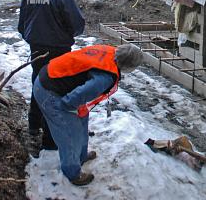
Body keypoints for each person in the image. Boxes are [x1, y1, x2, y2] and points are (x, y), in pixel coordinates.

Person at [33, 44, 144, 186]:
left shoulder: (109, 51)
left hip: (54, 77)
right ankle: (72, 173)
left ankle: (81, 155)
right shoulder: (105, 78)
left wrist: (77, 108)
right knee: (69, 133)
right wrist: (68, 107)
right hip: (49, 90)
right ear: (129, 66)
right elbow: (79, 95)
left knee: (82, 119)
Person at [18, 0, 85, 149]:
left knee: (37, 83)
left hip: (36, 48)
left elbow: (21, 25)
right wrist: (67, 35)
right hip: (58, 50)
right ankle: (50, 138)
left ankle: (33, 125)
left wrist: (33, 38)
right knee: (54, 89)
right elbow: (77, 24)